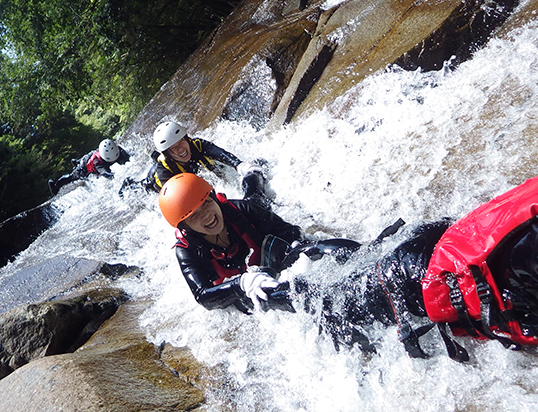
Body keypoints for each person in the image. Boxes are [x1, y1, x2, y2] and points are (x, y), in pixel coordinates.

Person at [310, 82, 538, 361]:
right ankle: (274, 282)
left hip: (439, 247)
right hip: (411, 281)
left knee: (352, 264)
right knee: (319, 307)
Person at [158, 172, 363, 313]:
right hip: (244, 287)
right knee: (268, 295)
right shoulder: (187, 250)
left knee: (257, 198)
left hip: (267, 256)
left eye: (207, 203)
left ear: (213, 197)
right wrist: (241, 284)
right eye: (194, 216)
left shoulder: (241, 209)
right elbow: (202, 296)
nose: (207, 216)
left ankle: (369, 254)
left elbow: (289, 231)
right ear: (185, 228)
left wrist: (298, 249)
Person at [123, 121, 273, 208]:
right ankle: (130, 184)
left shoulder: (196, 144)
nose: (181, 149)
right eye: (174, 148)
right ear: (167, 153)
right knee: (142, 188)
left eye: (181, 141)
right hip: (153, 180)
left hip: (188, 171)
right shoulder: (165, 172)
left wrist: (240, 165)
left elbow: (220, 154)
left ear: (186, 138)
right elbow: (179, 200)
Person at [48, 139, 130, 195]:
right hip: (85, 166)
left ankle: (76, 161)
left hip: (91, 155)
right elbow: (105, 173)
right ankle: (56, 185)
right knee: (72, 177)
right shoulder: (98, 163)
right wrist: (116, 175)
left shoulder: (117, 149)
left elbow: (128, 159)